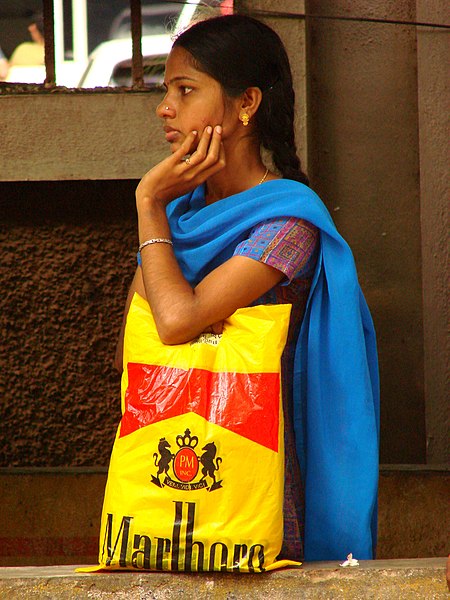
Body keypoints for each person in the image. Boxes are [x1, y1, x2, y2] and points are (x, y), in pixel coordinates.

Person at [115, 14, 379, 563]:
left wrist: (147, 203)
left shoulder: (287, 223)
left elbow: (176, 322)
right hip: (176, 479)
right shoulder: (181, 218)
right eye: (166, 91)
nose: (165, 108)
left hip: (264, 483)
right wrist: (160, 214)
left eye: (185, 90)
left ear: (246, 104)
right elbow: (137, 352)